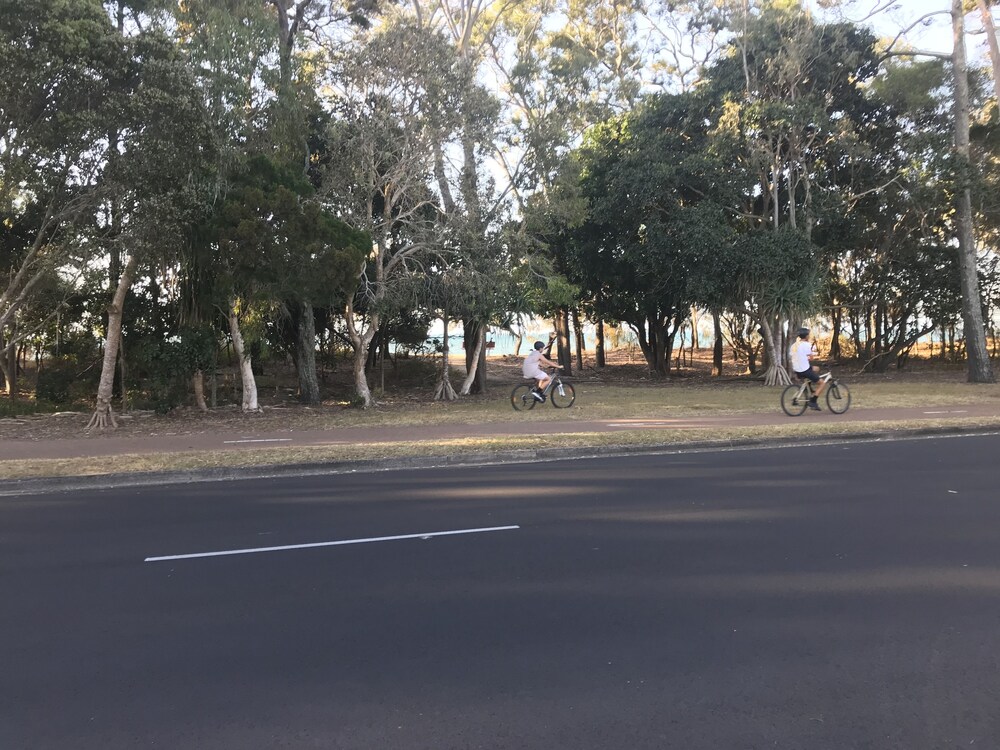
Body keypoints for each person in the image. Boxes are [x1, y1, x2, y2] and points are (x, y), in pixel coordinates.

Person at [790, 326, 823, 410]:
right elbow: (811, 358)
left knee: (816, 369)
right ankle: (813, 401)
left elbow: (794, 356)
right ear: (806, 336)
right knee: (822, 383)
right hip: (804, 370)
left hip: (797, 369)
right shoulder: (807, 345)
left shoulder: (794, 345)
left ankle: (809, 386)